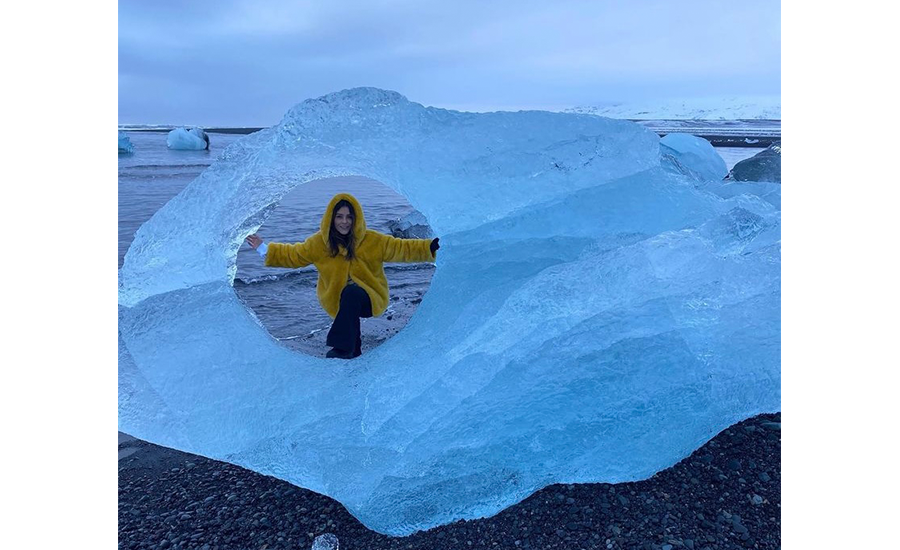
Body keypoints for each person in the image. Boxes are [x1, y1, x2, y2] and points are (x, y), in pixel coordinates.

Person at [245, 193, 439, 359]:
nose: (344, 222)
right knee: (349, 301)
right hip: (338, 301)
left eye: (349, 217)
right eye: (339, 217)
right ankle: (354, 349)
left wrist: (430, 247)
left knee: (352, 293)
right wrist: (263, 248)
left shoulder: (372, 240)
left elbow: (401, 248)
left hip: (370, 298)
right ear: (331, 218)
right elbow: (294, 255)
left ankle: (341, 348)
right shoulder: (319, 244)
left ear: (356, 218)